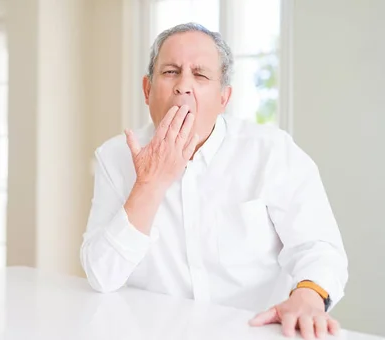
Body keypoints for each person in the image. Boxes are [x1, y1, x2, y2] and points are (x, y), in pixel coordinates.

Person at [80, 22, 348, 340]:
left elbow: (319, 248)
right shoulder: (115, 157)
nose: (183, 86)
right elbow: (101, 275)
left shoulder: (272, 152)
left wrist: (307, 296)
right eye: (170, 72)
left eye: (201, 75)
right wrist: (150, 184)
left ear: (224, 98)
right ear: (147, 90)